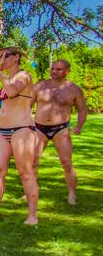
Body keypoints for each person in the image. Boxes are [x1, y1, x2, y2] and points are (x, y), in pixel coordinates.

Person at [0, 47, 39, 225]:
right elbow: (6, 104)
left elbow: (12, 92)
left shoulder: (24, 76)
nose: (1, 59)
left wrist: (0, 73)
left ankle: (32, 216)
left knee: (25, 172)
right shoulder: (7, 79)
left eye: (5, 56)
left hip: (22, 129)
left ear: (16, 57)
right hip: (1, 129)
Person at [33, 59, 88, 205]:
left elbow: (82, 109)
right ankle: (30, 192)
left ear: (67, 71)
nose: (54, 72)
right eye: (53, 68)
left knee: (66, 162)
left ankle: (72, 194)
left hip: (61, 129)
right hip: (39, 128)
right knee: (33, 161)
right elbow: (26, 106)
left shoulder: (74, 89)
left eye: (58, 69)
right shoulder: (39, 86)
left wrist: (79, 125)